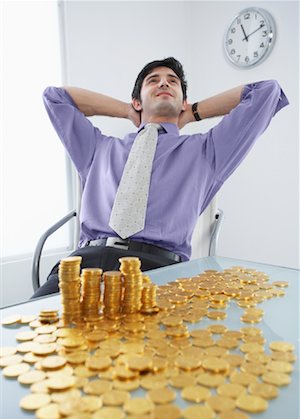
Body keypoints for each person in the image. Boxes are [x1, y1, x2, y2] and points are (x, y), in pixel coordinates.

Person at [32, 57, 289, 298]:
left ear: (183, 102)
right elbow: (54, 98)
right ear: (138, 101)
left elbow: (266, 91)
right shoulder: (97, 148)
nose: (164, 82)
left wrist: (192, 112)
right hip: (85, 264)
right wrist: (126, 110)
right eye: (153, 80)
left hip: (159, 271)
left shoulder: (207, 151)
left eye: (172, 81)